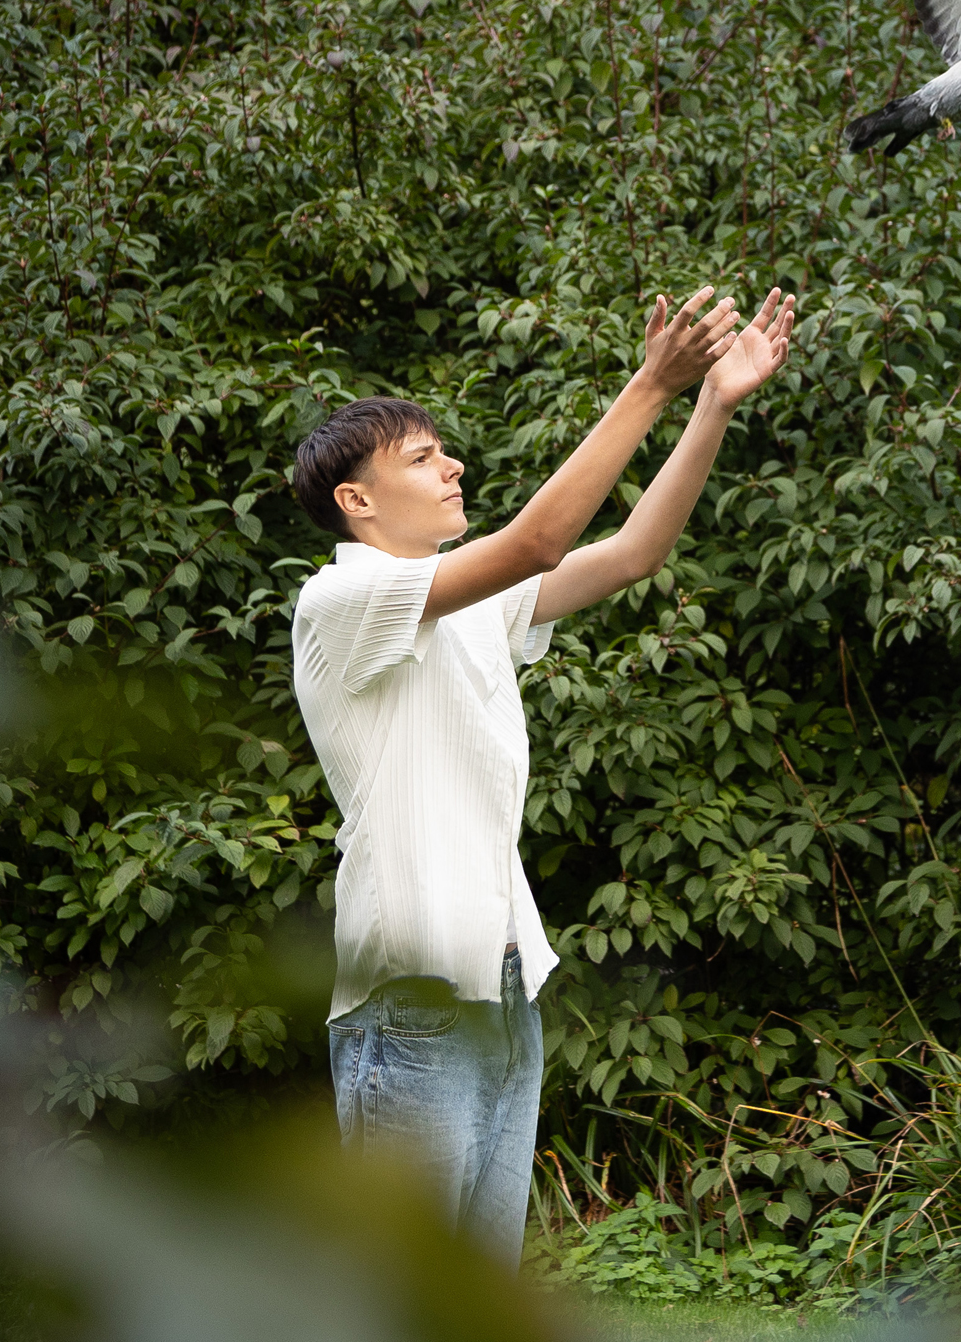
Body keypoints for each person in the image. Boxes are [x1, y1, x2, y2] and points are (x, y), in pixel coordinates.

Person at [286, 285, 799, 1266]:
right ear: (356, 500)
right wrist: (651, 384)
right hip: (411, 998)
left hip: (505, 989)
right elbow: (536, 540)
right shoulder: (340, 600)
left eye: (444, 450)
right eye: (422, 457)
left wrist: (710, 404)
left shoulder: (471, 603)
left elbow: (635, 552)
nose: (452, 465)